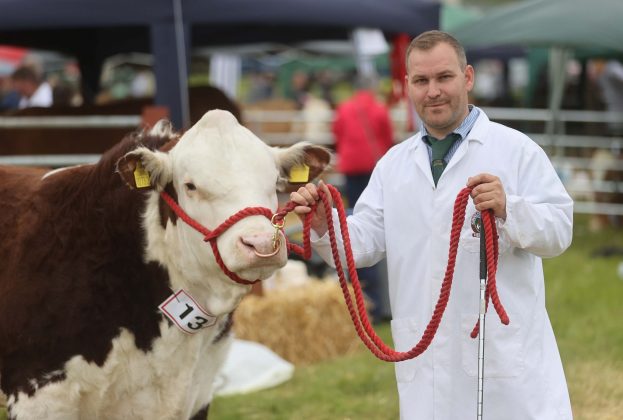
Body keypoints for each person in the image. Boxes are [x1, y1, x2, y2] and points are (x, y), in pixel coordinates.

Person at [291, 30, 573, 419]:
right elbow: (363, 243)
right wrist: (326, 225)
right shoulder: (393, 166)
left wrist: (511, 208)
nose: (433, 91)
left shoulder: (516, 151)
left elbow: (559, 230)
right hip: (427, 357)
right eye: (422, 81)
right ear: (407, 85)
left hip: (504, 360)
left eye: (444, 77)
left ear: (468, 77)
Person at [332, 74, 394, 322]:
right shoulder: (379, 109)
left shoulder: (344, 108)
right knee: (374, 229)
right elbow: (388, 140)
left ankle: (358, 300)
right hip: (372, 168)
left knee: (354, 226)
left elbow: (337, 134)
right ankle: (376, 304)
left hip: (350, 169)